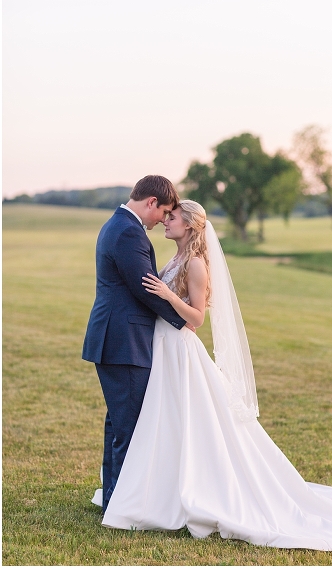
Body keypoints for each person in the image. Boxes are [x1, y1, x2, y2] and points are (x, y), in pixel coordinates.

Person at [98, 200, 332, 550]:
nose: (165, 222)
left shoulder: (198, 264)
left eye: (172, 217)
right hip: (160, 347)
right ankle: (156, 489)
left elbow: (197, 318)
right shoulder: (175, 258)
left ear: (188, 225)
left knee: (185, 422)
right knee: (164, 422)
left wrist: (169, 294)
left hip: (179, 350)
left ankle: (175, 492)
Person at [82, 175, 187, 515]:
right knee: (128, 425)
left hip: (118, 338)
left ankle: (115, 498)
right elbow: (145, 287)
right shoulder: (128, 231)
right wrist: (182, 321)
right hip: (123, 341)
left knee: (119, 422)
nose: (164, 220)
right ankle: (123, 505)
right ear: (152, 202)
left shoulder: (118, 224)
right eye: (165, 212)